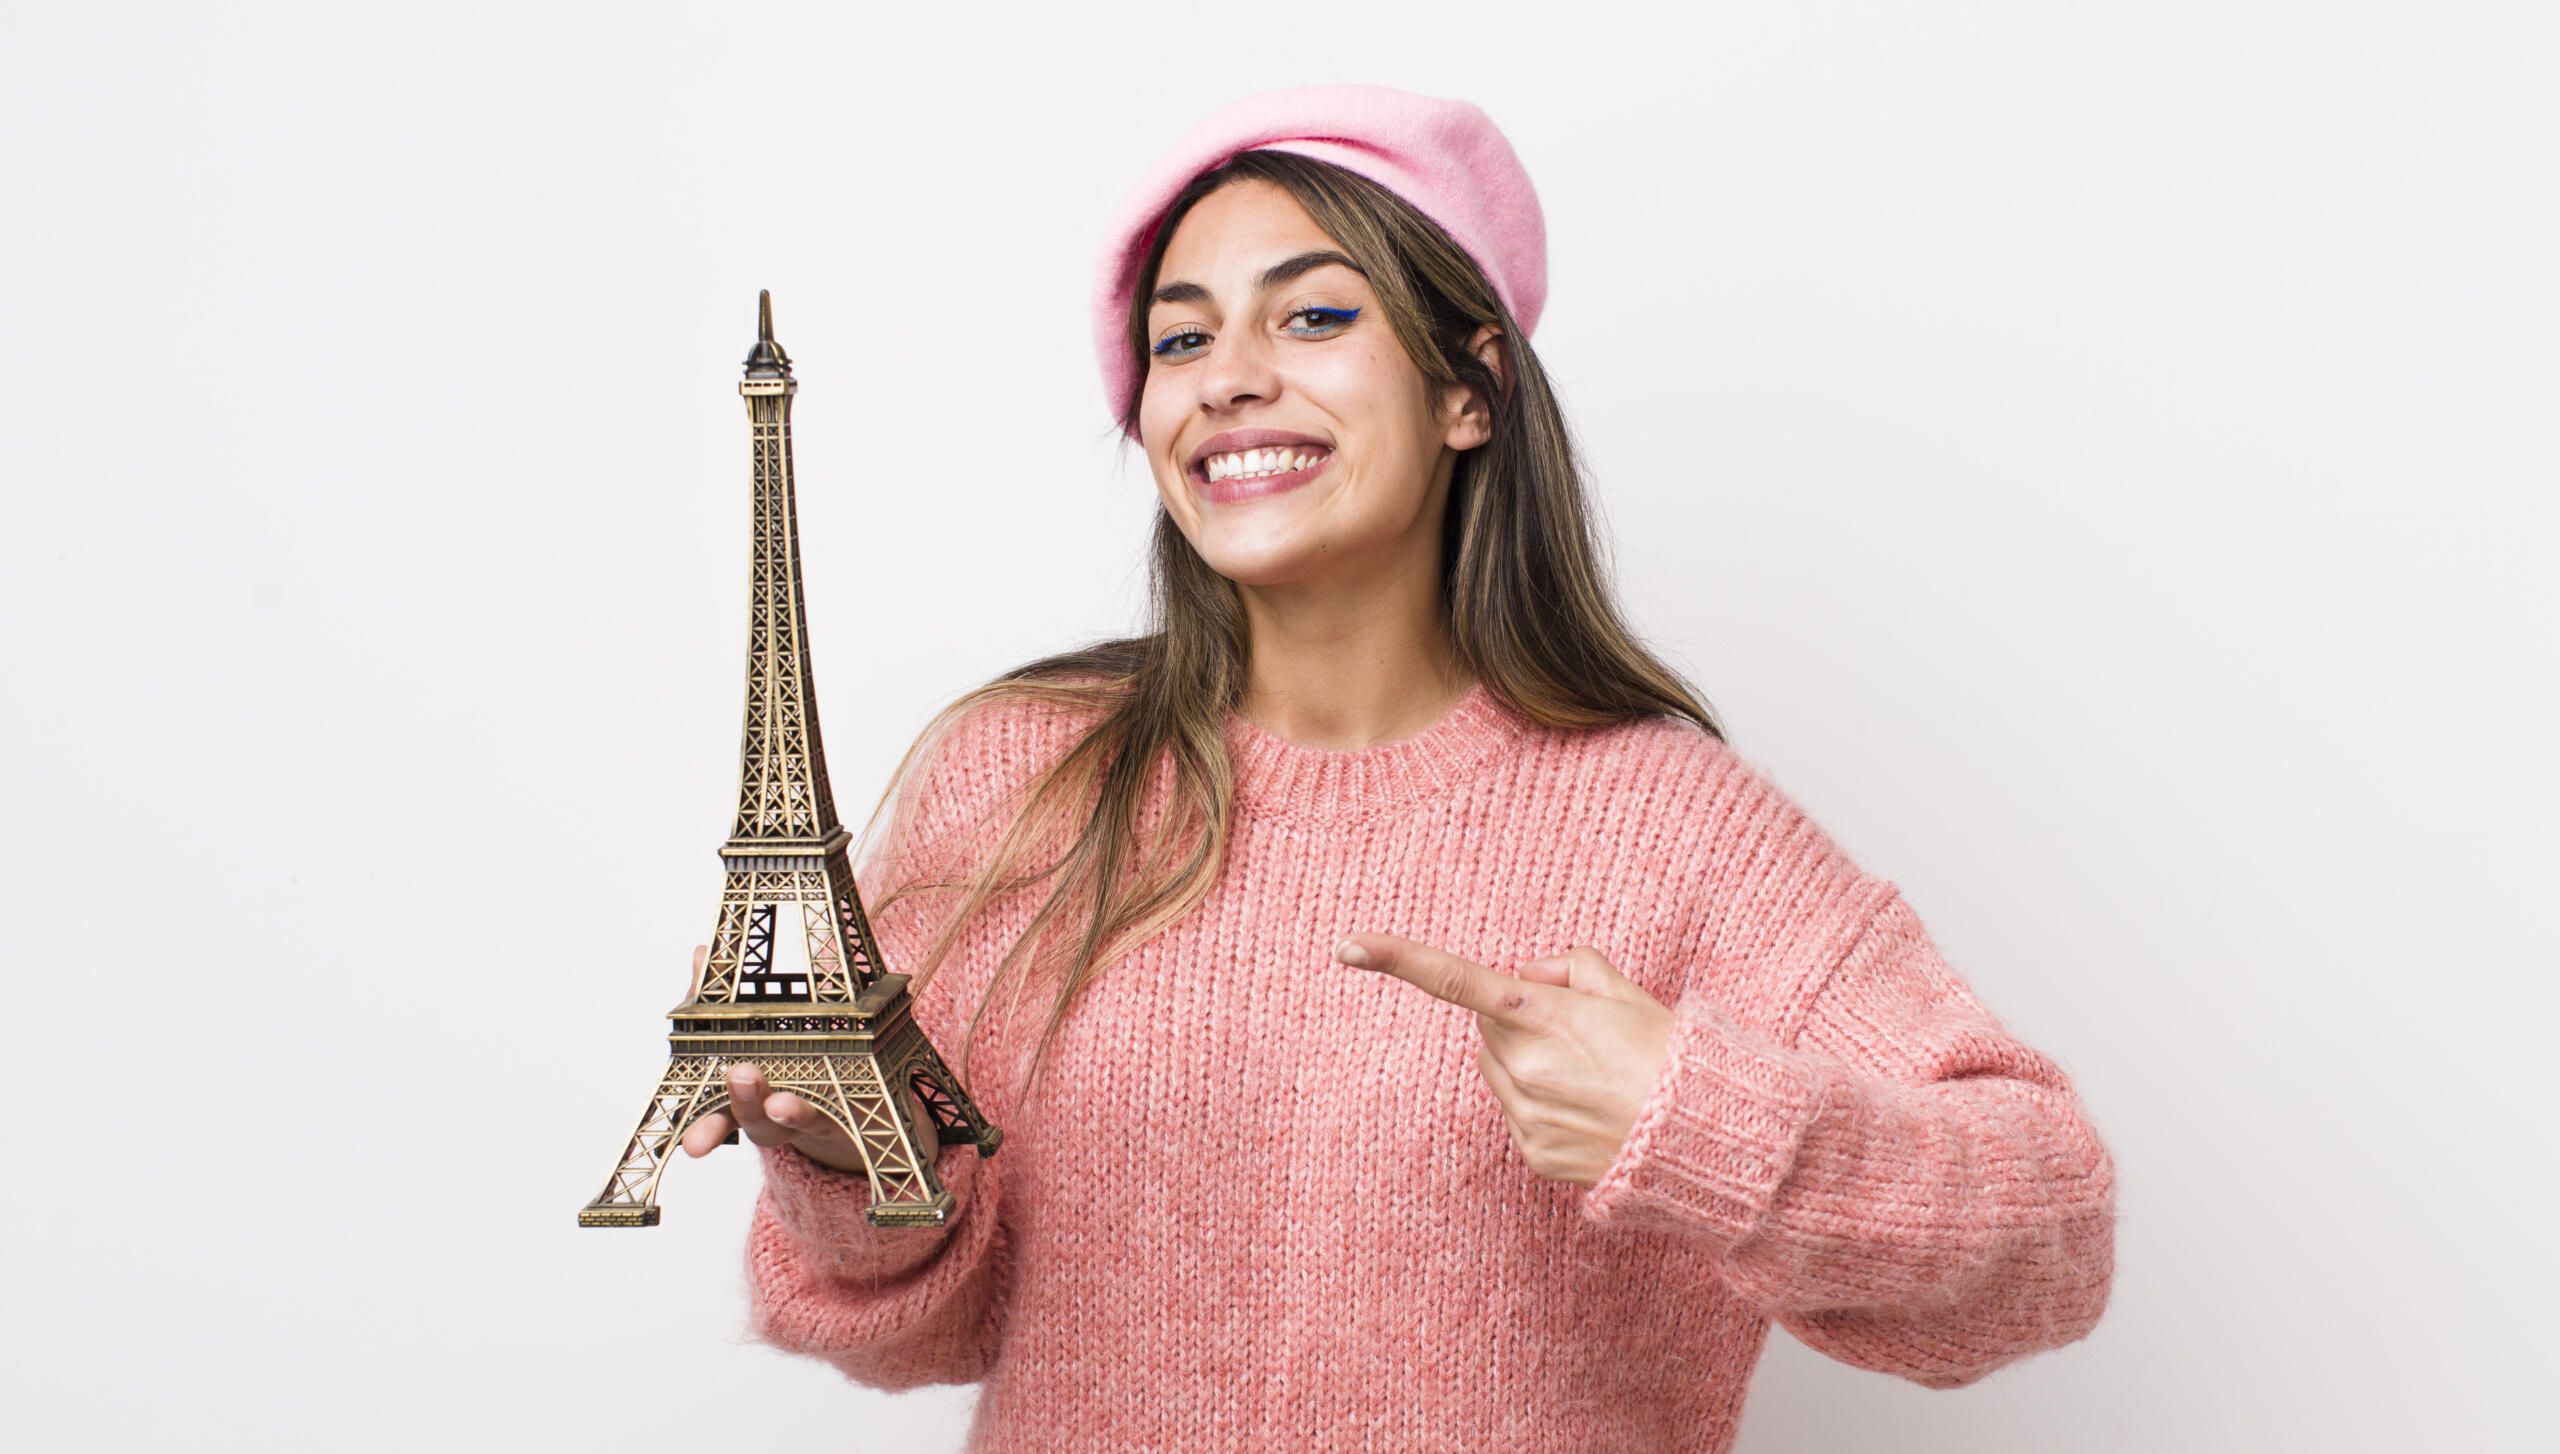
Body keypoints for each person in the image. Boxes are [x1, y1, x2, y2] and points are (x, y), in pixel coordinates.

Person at [678, 85, 2115, 1451]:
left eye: (1311, 317)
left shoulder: (1678, 830)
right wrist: (855, 1171)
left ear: (1469, 390)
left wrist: (1698, 1119)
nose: (1230, 380)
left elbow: (2053, 1234)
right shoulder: (1020, 783)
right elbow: (923, 1327)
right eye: (1180, 343)